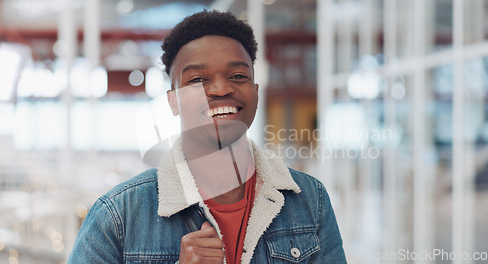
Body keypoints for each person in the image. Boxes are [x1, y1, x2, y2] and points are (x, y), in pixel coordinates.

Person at [68, 10, 346, 264]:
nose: (221, 88)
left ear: (256, 90)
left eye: (238, 75)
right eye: (198, 80)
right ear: (173, 101)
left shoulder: (310, 200)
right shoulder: (119, 215)